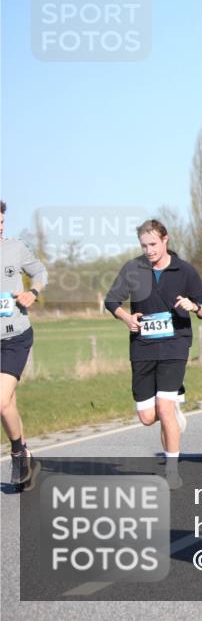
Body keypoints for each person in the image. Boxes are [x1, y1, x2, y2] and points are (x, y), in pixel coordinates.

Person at [105, 220, 202, 488]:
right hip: (142, 347)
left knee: (163, 408)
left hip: (175, 345)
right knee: (147, 417)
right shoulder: (133, 268)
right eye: (144, 246)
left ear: (166, 239)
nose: (149, 250)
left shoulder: (184, 270)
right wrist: (126, 317)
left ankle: (172, 470)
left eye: (153, 244)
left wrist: (194, 306)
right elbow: (111, 300)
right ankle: (174, 409)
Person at [0, 201, 47, 491]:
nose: (0, 226)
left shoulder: (15, 248)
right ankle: (25, 455)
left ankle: (18, 453)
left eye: (1, 221)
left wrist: (32, 292)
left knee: (1, 400)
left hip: (15, 337)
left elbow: (41, 273)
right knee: (7, 406)